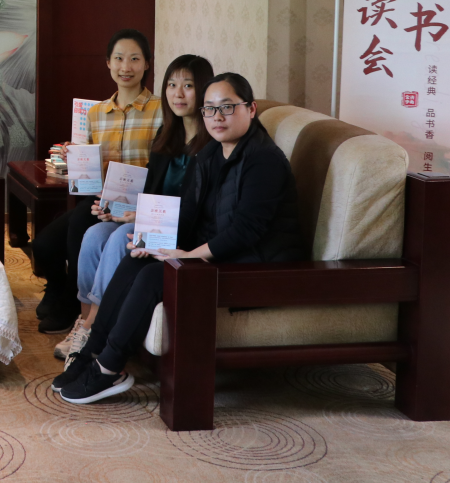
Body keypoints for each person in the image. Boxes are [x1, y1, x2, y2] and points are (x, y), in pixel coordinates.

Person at [54, 72, 302, 405]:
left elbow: (247, 231)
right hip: (219, 254)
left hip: (257, 265)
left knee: (155, 276)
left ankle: (109, 367)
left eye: (227, 107)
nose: (217, 117)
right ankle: (92, 351)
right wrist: (154, 239)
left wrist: (187, 255)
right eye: (209, 109)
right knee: (135, 259)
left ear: (251, 109)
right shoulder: (211, 152)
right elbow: (190, 210)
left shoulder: (264, 160)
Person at [54, 54, 212, 360]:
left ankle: (94, 326)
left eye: (188, 85)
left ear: (204, 89)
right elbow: (151, 188)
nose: (178, 94)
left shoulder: (210, 144)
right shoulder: (168, 135)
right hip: (152, 218)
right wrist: (118, 209)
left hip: (180, 230)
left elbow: (197, 207)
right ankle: (83, 320)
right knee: (95, 233)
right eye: (172, 85)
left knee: (119, 237)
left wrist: (138, 217)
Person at [33, 29, 162, 335]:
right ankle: (58, 288)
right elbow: (89, 179)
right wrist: (75, 159)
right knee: (43, 244)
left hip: (138, 204)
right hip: (101, 202)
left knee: (80, 224)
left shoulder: (161, 111)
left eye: (134, 59)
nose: (126, 67)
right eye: (119, 58)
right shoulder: (96, 113)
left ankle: (72, 304)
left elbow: (164, 169)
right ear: (108, 63)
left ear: (147, 64)